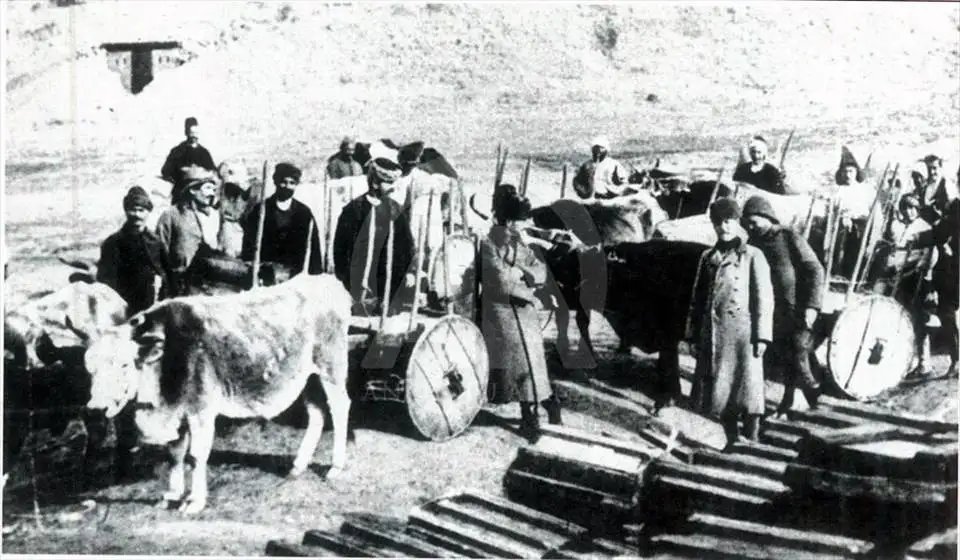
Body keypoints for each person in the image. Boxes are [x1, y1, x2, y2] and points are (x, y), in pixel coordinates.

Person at [687, 198, 774, 450]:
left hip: (743, 334)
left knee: (747, 388)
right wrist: (692, 335)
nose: (723, 227)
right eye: (718, 223)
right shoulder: (707, 257)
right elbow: (697, 299)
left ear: (738, 223)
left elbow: (764, 298)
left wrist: (762, 336)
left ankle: (753, 438)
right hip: (712, 332)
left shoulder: (752, 255)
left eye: (728, 221)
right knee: (718, 389)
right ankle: (726, 438)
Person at [480, 183, 561, 442]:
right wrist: (525, 282)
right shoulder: (488, 243)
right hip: (501, 312)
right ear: (508, 220)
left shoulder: (519, 242)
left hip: (524, 310)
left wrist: (522, 274)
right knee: (518, 365)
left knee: (533, 363)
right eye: (518, 220)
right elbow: (500, 281)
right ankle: (531, 414)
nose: (522, 225)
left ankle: (545, 405)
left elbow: (540, 269)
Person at [740, 196, 824, 416]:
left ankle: (814, 394)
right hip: (771, 312)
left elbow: (815, 269)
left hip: (797, 310)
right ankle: (788, 401)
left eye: (754, 222)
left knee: (797, 352)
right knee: (783, 358)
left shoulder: (788, 237)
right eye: (747, 223)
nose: (750, 227)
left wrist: (812, 306)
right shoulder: (753, 243)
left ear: (767, 217)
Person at [333, 157, 416, 314]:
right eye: (388, 183)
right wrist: (344, 277)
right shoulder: (353, 210)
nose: (393, 188)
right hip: (357, 282)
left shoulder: (395, 210)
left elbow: (407, 246)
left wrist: (410, 272)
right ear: (375, 183)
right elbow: (340, 248)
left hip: (388, 285)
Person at [241, 162, 323, 278]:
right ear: (276, 181)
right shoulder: (261, 209)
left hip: (295, 275)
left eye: (292, 183)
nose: (287, 186)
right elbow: (248, 242)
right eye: (283, 182)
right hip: (265, 273)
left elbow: (314, 247)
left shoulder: (304, 213)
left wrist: (315, 275)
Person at [96, 186, 167, 313]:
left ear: (148, 212)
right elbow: (104, 279)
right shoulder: (112, 243)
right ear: (126, 211)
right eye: (133, 210)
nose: (137, 215)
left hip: (152, 305)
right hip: (121, 305)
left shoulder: (156, 242)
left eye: (141, 210)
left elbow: (166, 273)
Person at [155, 165, 222, 298]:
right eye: (208, 188)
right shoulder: (171, 215)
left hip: (206, 286)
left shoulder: (213, 216)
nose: (212, 193)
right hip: (178, 287)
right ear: (192, 190)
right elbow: (159, 252)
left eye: (214, 189)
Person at [160, 117, 217, 187]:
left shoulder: (204, 152)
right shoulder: (177, 151)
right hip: (182, 188)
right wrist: (184, 172)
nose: (194, 136)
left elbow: (212, 171)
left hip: (201, 189)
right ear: (186, 132)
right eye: (191, 133)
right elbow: (165, 171)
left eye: (196, 133)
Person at [911, 155, 957, 226]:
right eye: (929, 169)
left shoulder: (946, 185)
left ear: (941, 168)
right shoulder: (925, 185)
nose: (932, 172)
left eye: (934, 168)